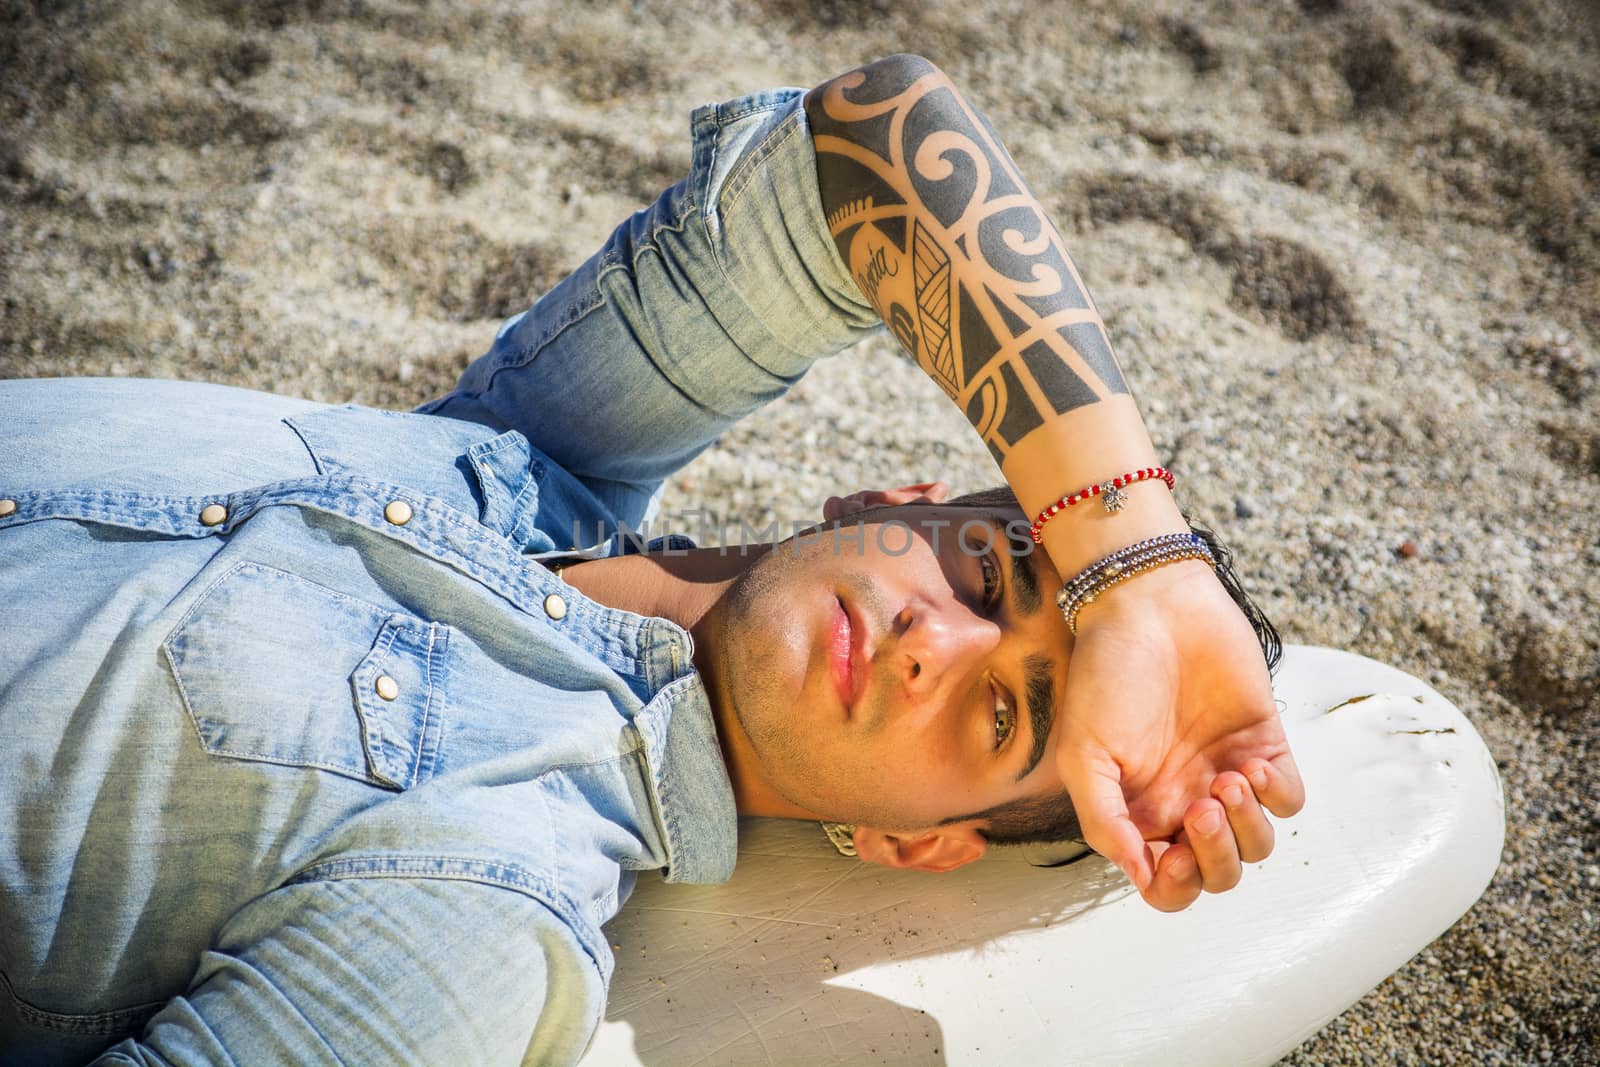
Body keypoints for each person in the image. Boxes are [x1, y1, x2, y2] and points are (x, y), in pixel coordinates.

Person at [0, 55, 1303, 1065]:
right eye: (987, 572)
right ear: (892, 493)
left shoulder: (488, 897)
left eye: (1007, 710)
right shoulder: (527, 451)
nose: (934, 645)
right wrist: (1137, 571)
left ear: (910, 845)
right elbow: (873, 137)